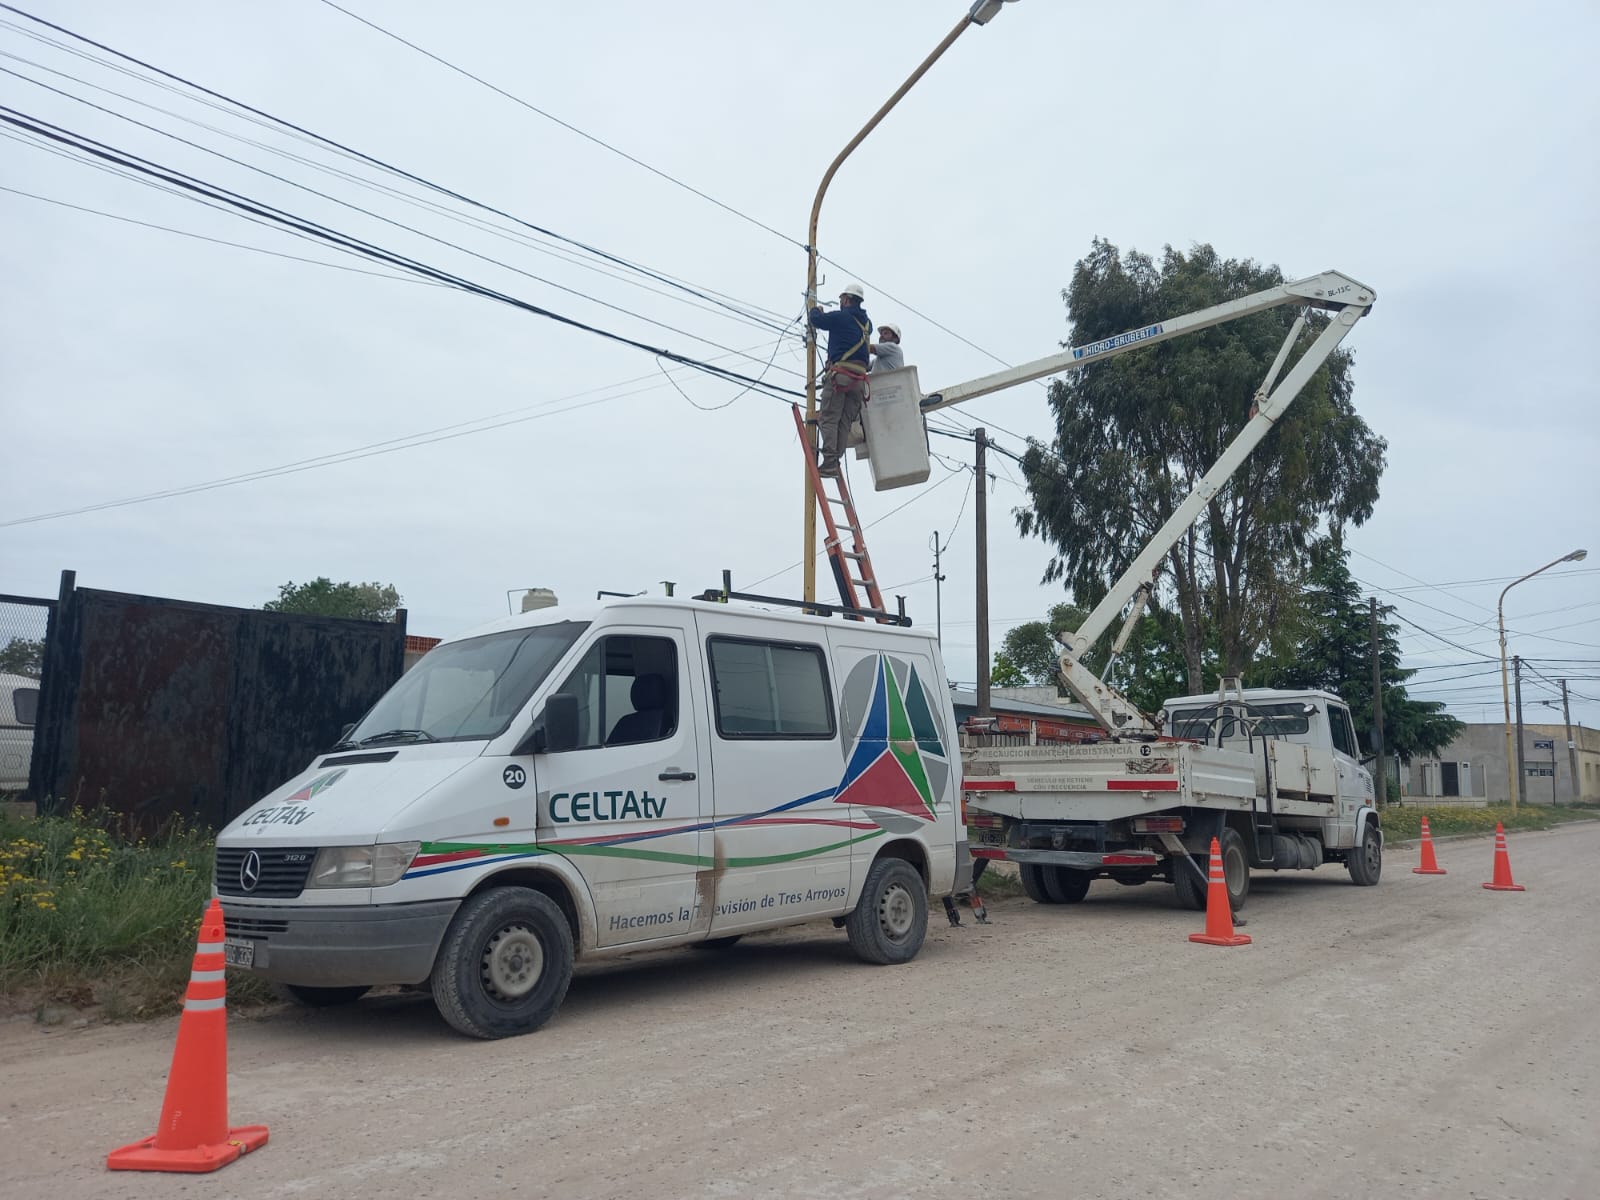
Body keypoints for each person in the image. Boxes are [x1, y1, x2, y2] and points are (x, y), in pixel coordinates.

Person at [807, 281, 871, 477]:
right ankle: (834, 461)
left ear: (848, 299)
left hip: (841, 377)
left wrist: (815, 310)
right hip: (858, 382)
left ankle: (829, 462)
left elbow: (817, 320)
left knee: (829, 419)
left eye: (842, 298)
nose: (841, 302)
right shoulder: (867, 324)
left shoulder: (842, 317)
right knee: (843, 422)